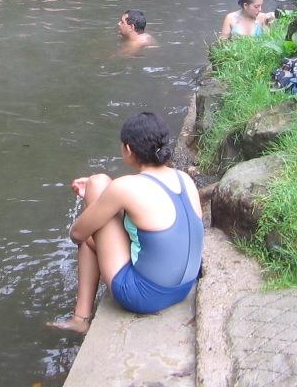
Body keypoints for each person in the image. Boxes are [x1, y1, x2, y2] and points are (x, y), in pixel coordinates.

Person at [51, 112, 203, 333]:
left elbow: (77, 234)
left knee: (96, 189)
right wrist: (102, 200)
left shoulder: (124, 187)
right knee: (99, 193)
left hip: (145, 295)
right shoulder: (184, 179)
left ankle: (80, 319)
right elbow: (146, 212)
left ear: (129, 149)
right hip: (183, 288)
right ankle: (80, 319)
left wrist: (94, 201)